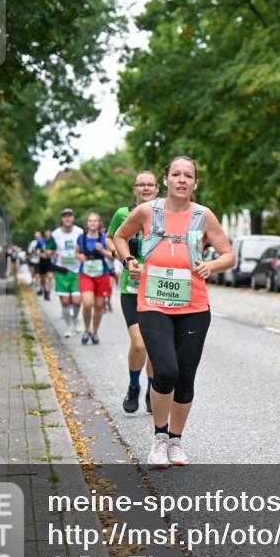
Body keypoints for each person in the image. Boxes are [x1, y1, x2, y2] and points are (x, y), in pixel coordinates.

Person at [114, 156, 234, 467]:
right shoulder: (147, 211)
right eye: (176, 174)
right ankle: (159, 437)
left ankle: (177, 441)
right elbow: (120, 237)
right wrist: (129, 261)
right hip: (153, 303)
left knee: (185, 377)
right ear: (166, 180)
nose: (182, 180)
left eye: (188, 176)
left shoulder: (203, 216)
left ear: (195, 183)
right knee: (165, 369)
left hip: (193, 306)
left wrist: (213, 264)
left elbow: (228, 254)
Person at [107, 171, 159, 414]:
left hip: (158, 287)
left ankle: (151, 390)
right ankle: (133, 386)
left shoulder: (164, 214)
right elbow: (111, 238)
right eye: (141, 184)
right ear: (134, 189)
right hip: (132, 286)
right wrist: (124, 258)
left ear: (158, 188)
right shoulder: (123, 213)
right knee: (139, 344)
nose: (146, 188)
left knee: (154, 345)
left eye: (150, 184)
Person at [46, 209, 84, 338]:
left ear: (73, 218)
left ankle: (76, 319)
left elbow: (85, 247)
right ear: (61, 219)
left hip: (77, 270)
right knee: (65, 302)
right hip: (61, 271)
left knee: (77, 301)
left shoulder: (80, 232)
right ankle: (69, 326)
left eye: (69, 216)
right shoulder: (55, 234)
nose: (67, 218)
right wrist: (50, 253)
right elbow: (48, 250)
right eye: (64, 216)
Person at [76, 212, 112, 345]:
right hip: (85, 274)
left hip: (102, 274)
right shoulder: (81, 238)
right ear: (87, 223)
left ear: (99, 223)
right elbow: (76, 252)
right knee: (87, 303)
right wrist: (79, 257)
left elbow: (111, 256)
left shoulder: (105, 238)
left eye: (95, 221)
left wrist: (102, 250)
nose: (92, 223)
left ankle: (95, 332)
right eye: (90, 221)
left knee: (99, 306)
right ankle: (87, 329)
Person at [37, 228, 53, 300]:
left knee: (50, 278)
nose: (48, 235)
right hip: (42, 262)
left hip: (50, 262)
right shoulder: (40, 242)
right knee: (42, 279)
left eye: (49, 234)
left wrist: (52, 254)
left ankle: (47, 292)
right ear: (44, 235)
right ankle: (42, 288)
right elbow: (36, 251)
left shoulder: (53, 242)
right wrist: (41, 255)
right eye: (46, 234)